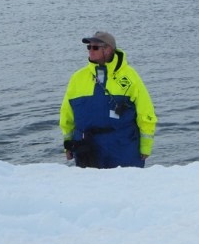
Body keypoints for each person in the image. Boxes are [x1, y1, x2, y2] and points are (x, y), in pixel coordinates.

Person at [59, 31, 157, 168]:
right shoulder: (77, 78)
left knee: (125, 187)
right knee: (89, 188)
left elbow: (146, 113)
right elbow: (67, 115)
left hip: (123, 147)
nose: (90, 51)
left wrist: (146, 146)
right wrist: (68, 145)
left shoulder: (130, 77)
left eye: (95, 47)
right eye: (89, 47)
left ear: (109, 49)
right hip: (87, 149)